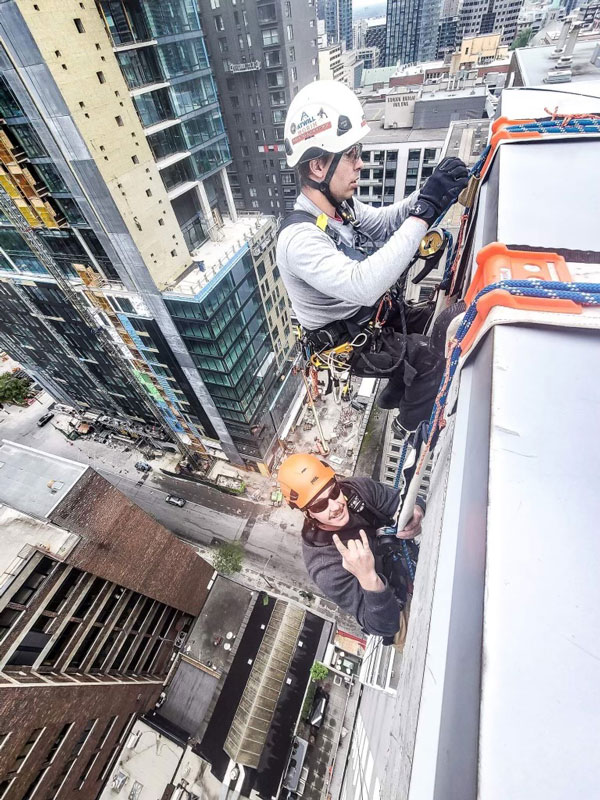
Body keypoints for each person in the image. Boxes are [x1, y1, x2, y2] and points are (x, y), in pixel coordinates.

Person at [276, 80, 469, 431]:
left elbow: (383, 225)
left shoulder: (340, 208)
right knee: (429, 360)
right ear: (318, 167)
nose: (360, 164)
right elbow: (362, 285)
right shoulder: (298, 239)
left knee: (433, 320)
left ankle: (397, 389)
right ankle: (410, 425)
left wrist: (431, 194)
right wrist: (424, 212)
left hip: (373, 316)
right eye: (351, 155)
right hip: (350, 340)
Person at [278, 453, 425, 643]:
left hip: (407, 564)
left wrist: (416, 509)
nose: (335, 505)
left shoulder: (358, 491)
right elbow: (385, 626)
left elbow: (398, 501)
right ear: (308, 513)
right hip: (396, 607)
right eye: (321, 505)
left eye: (333, 492)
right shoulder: (325, 565)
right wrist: (368, 578)